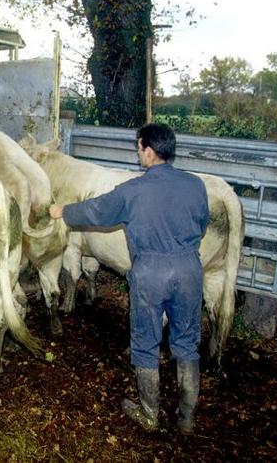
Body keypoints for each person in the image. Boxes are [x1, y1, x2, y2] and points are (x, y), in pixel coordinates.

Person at [49, 123, 209, 434]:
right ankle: (186, 417)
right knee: (187, 344)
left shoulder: (133, 190)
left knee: (146, 341)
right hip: (189, 268)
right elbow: (201, 224)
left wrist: (63, 211)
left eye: (139, 149)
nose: (138, 155)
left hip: (150, 271)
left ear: (149, 150)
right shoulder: (196, 185)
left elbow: (97, 211)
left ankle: (149, 412)